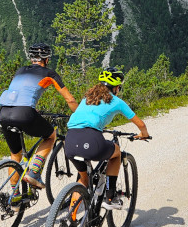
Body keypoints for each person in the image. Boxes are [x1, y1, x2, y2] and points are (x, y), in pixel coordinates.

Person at [0, 43, 79, 199]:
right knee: (50, 135)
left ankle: (14, 198)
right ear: (47, 59)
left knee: (15, 155)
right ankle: (34, 173)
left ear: (32, 58)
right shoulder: (50, 73)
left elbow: (20, 92)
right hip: (24, 113)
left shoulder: (20, 71)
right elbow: (69, 99)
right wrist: (80, 115)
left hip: (4, 113)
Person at [64, 67, 150, 210]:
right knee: (116, 153)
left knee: (83, 179)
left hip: (70, 141)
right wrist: (144, 134)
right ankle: (110, 197)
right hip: (91, 141)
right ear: (116, 87)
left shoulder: (87, 98)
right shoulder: (117, 101)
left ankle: (71, 221)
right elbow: (140, 124)